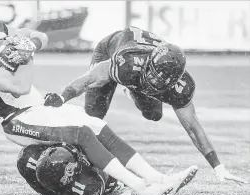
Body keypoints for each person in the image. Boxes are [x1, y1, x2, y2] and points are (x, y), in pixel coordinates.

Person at [0, 9, 198, 195]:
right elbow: (19, 87)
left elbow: (38, 35)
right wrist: (25, 55)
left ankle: (157, 178)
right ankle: (140, 188)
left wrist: (25, 43)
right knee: (82, 132)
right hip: (15, 118)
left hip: (35, 108)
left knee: (98, 126)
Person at [43, 26, 248, 185]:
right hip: (111, 51)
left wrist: (217, 166)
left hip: (133, 74)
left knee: (153, 115)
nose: (152, 81)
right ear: (149, 62)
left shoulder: (181, 88)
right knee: (94, 117)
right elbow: (90, 79)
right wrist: (63, 97)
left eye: (160, 81)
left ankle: (130, 88)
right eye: (151, 74)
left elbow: (193, 128)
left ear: (174, 82)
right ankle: (86, 165)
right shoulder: (128, 62)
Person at [17, 142, 132, 195]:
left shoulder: (28, 157)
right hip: (74, 184)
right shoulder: (87, 189)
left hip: (56, 183)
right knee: (26, 157)